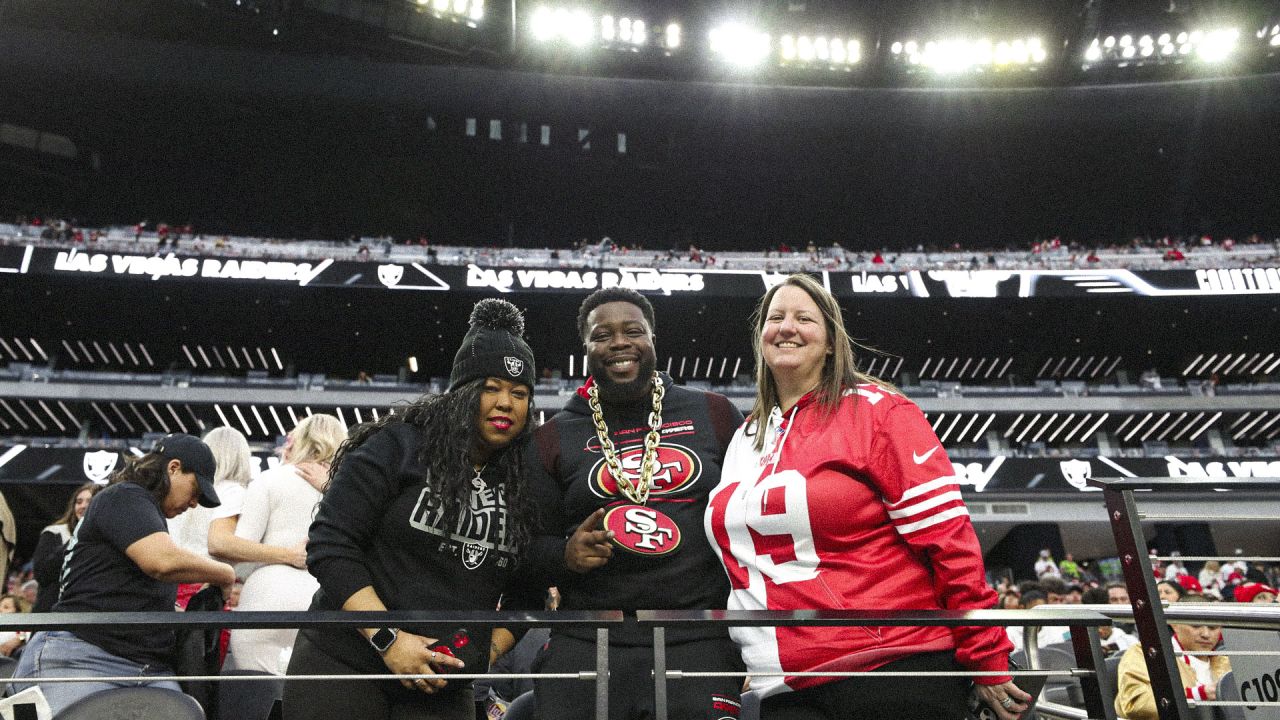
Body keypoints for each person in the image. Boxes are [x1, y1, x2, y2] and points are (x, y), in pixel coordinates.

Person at [705, 274, 1030, 720]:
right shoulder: (745, 436)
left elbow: (949, 541)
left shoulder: (879, 412)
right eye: (775, 317)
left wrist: (986, 656)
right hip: (782, 685)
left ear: (833, 342)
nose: (787, 327)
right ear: (760, 336)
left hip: (892, 668)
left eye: (805, 318)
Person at [285, 298, 542, 720]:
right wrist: (389, 639)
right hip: (345, 663)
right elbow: (331, 545)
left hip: (442, 681)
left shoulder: (527, 479)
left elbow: (529, 590)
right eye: (490, 387)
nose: (505, 403)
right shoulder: (399, 445)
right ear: (462, 393)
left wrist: (485, 650)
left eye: (519, 393)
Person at [525, 286, 746, 720]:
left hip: (698, 636)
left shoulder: (715, 414)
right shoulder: (553, 436)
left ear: (652, 340)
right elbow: (525, 548)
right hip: (588, 638)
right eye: (602, 335)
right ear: (586, 348)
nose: (619, 343)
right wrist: (565, 555)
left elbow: (747, 525)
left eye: (633, 331)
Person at [10, 434, 236, 716]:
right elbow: (161, 561)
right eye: (195, 489)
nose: (194, 503)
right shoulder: (126, 495)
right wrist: (224, 574)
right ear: (173, 468)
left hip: (146, 669)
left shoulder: (142, 511)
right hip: (82, 657)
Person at [226, 414, 347, 674]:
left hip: (264, 602)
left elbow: (241, 551)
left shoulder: (269, 480)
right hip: (323, 602)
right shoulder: (345, 491)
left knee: (256, 699)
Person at [1115, 593, 1230, 720]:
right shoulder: (1146, 653)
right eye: (1196, 625)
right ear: (1174, 624)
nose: (1206, 634)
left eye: (1213, 627)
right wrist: (1198, 694)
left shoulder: (1226, 662)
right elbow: (1135, 704)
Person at [30, 482, 103, 612]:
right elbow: (41, 573)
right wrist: (76, 539)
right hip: (51, 613)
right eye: (79, 502)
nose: (83, 506)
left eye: (89, 501)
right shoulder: (55, 532)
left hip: (87, 612)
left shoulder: (106, 537)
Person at [0, 592, 31, 657]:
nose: (0, 609)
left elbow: (27, 635)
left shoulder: (20, 628)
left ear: (17, 612)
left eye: (6, 607)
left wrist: (19, 639)